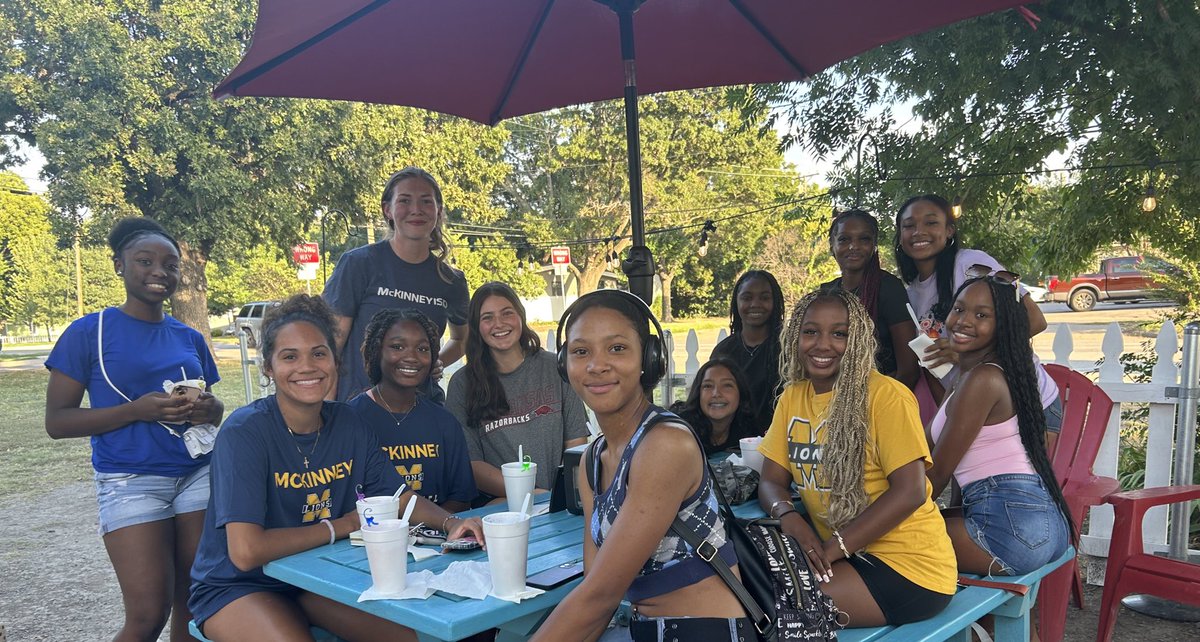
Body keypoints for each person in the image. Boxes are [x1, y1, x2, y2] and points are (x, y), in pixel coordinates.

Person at [188, 294, 484, 641]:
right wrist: (343, 525)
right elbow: (246, 552)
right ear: (268, 367)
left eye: (318, 353)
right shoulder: (245, 432)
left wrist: (452, 522)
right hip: (242, 585)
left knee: (415, 636)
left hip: (320, 577)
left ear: (335, 360)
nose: (307, 366)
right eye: (289, 356)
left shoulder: (347, 421)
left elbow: (396, 495)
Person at [531, 289, 750, 642]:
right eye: (581, 351)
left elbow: (599, 598)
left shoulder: (665, 444)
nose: (597, 365)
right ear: (564, 363)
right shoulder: (591, 462)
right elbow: (596, 589)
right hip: (641, 629)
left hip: (705, 631)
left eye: (617, 348)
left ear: (648, 357)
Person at [45, 217, 224, 641]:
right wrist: (137, 411)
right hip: (131, 479)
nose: (160, 271)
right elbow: (57, 422)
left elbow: (213, 409)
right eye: (145, 261)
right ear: (119, 266)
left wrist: (210, 409)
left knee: (195, 604)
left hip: (198, 473)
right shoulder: (89, 332)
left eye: (171, 264)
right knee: (148, 613)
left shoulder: (189, 337)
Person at [757, 288, 956, 628]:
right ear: (795, 337)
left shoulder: (886, 397)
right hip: (839, 557)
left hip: (908, 566)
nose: (822, 344)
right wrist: (787, 515)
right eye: (810, 331)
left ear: (859, 340)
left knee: (770, 613)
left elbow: (910, 491)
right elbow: (771, 481)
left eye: (839, 334)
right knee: (745, 586)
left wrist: (833, 547)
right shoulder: (793, 397)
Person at [926, 276, 1073, 575]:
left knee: (887, 542)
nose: (963, 321)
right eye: (958, 309)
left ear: (1002, 326)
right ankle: (988, 625)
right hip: (1036, 521)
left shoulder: (983, 380)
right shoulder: (971, 375)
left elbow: (939, 472)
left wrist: (889, 517)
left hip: (1012, 528)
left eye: (982, 315)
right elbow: (965, 468)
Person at [894, 194, 1062, 450]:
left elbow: (1035, 320)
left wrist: (964, 351)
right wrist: (945, 415)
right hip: (971, 409)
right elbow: (934, 368)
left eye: (931, 223)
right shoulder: (910, 294)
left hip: (1025, 402)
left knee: (1011, 488)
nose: (919, 232)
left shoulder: (971, 264)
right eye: (909, 225)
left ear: (949, 230)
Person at [323, 166, 470, 402]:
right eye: (404, 200)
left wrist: (436, 361)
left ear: (439, 211)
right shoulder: (358, 264)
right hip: (358, 411)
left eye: (426, 201)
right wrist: (328, 413)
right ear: (387, 210)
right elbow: (331, 346)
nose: (416, 210)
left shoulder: (451, 280)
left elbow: (463, 339)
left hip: (421, 412)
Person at [447, 282, 588, 502]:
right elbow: (470, 465)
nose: (499, 324)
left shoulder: (556, 368)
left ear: (520, 316)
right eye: (487, 318)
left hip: (558, 502)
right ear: (476, 326)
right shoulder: (462, 384)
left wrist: (565, 498)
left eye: (507, 313)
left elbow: (577, 447)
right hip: (502, 506)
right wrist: (527, 492)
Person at [349, 308, 476, 512]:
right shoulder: (352, 419)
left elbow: (461, 499)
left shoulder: (444, 422)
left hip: (437, 537)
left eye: (423, 349)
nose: (412, 357)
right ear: (376, 351)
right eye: (397, 347)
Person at [822, 209, 920, 389]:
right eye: (844, 239)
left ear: (874, 245)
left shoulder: (889, 288)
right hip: (833, 397)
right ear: (831, 246)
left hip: (879, 400)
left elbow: (909, 370)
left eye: (864, 239)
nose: (854, 246)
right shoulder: (827, 292)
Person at [710, 270, 785, 434]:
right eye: (747, 297)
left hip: (780, 440)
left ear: (775, 301)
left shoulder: (787, 349)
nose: (755, 304)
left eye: (764, 298)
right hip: (732, 444)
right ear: (736, 302)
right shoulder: (723, 351)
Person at [669, 357, 759, 455]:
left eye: (727, 385)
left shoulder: (750, 432)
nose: (716, 393)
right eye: (708, 386)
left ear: (740, 392)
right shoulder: (680, 431)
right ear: (698, 393)